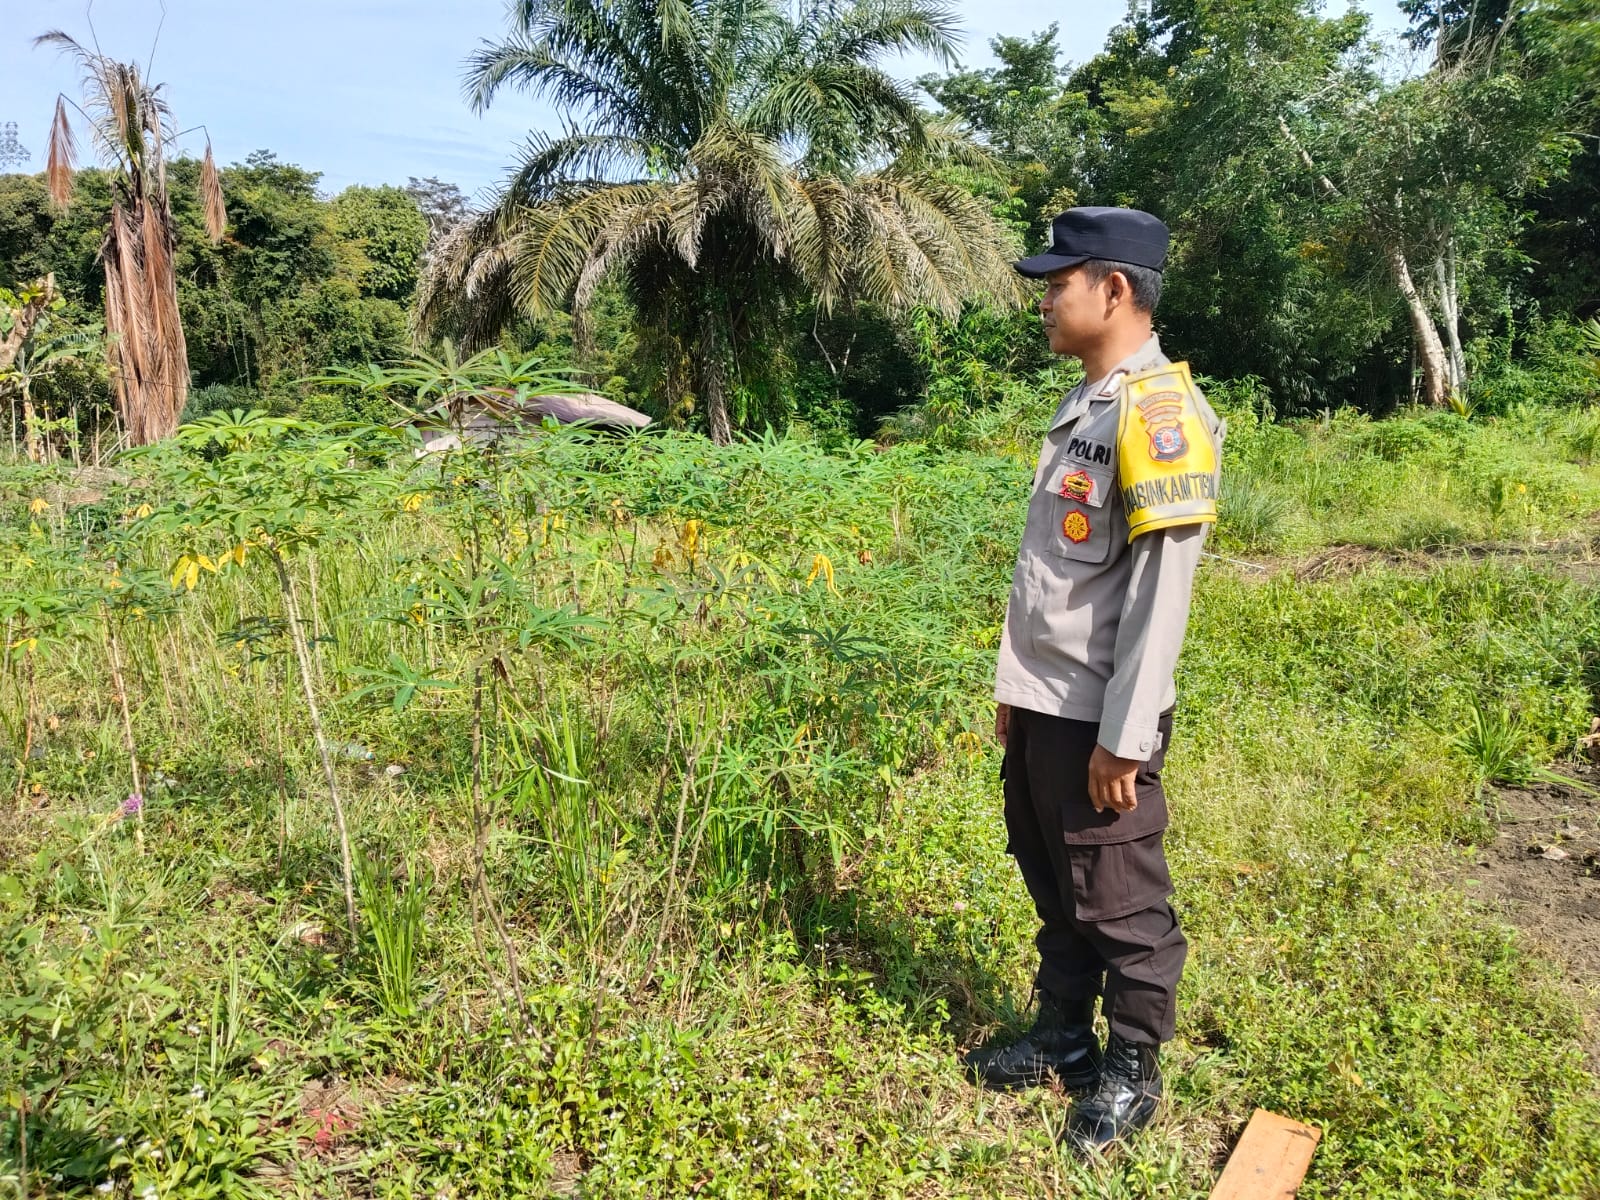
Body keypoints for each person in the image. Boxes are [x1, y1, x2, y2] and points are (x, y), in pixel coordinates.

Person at [962, 207, 1223, 1154]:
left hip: (1100, 716)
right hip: (1047, 700)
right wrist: (1016, 690)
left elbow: (1159, 599)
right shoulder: (1089, 402)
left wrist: (1126, 736)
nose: (1044, 299)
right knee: (1053, 874)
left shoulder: (1159, 416)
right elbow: (1054, 577)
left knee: (1120, 898)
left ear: (1113, 289)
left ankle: (1133, 1069)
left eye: (1057, 283)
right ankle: (1064, 1037)